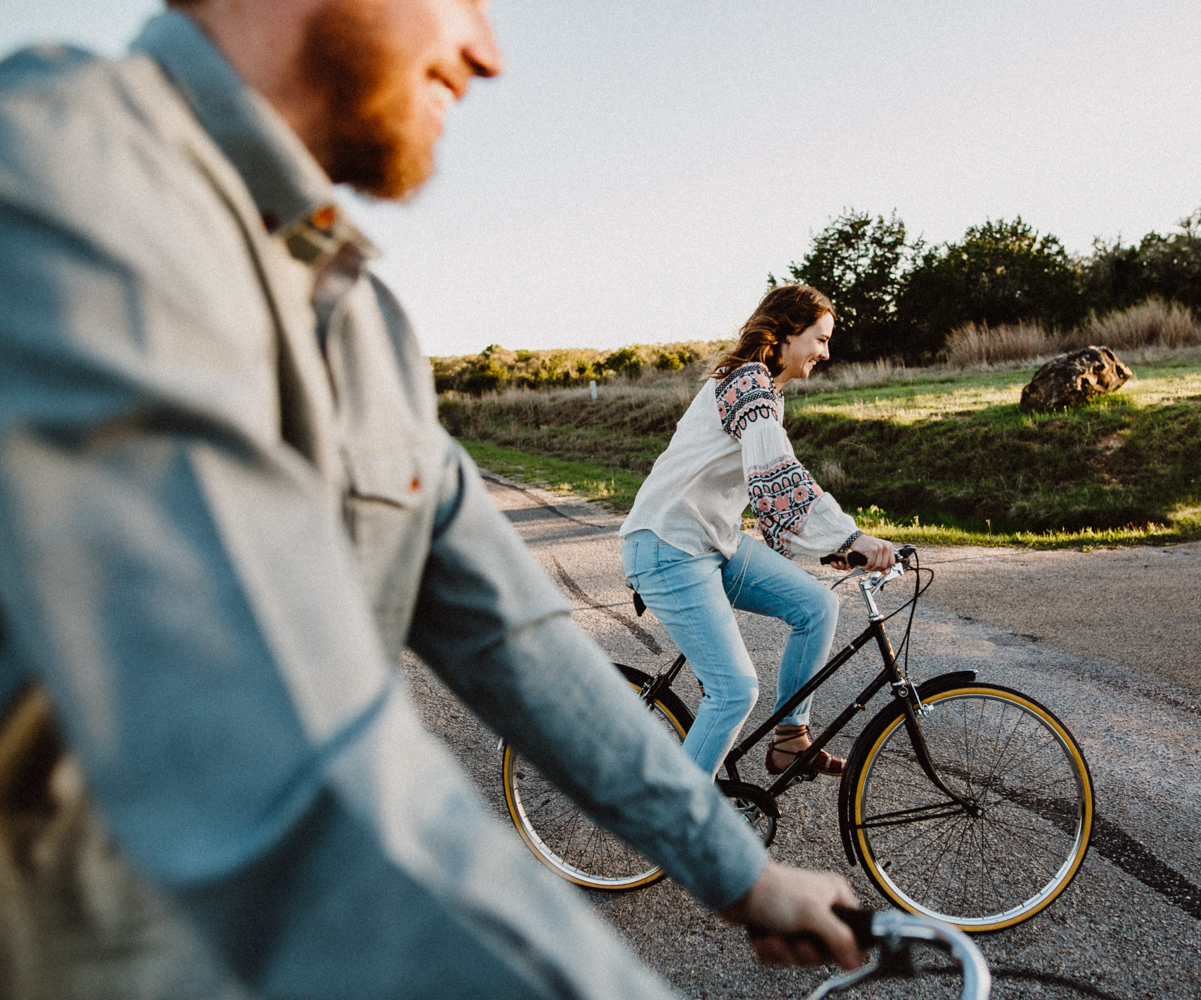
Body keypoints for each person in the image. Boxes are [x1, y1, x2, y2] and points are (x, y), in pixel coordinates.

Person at [0, 2, 864, 997]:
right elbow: (287, 765)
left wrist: (745, 874)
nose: (489, 54)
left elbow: (520, 637)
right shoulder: (65, 184)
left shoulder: (356, 312)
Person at [620, 285, 897, 780]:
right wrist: (848, 537)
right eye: (820, 338)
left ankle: (791, 738)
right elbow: (777, 473)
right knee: (733, 691)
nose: (826, 352)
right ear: (788, 332)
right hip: (667, 546)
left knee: (817, 606)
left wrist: (828, 543)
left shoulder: (765, 393)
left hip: (710, 544)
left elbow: (770, 488)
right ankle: (680, 832)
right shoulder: (747, 383)